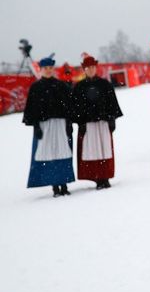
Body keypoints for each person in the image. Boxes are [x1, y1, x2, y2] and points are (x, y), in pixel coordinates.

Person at [22, 55, 75, 197]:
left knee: (62, 153)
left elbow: (69, 107)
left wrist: (69, 123)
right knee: (49, 155)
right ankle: (55, 186)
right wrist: (36, 126)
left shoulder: (61, 86)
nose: (48, 70)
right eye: (45, 68)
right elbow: (31, 110)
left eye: (50, 68)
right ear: (41, 69)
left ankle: (64, 183)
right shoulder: (36, 88)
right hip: (45, 126)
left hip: (60, 125)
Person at [71, 54, 123, 189]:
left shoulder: (105, 84)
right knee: (91, 151)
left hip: (103, 123)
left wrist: (112, 119)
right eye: (88, 67)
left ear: (96, 68)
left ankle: (105, 177)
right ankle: (97, 177)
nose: (91, 70)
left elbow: (112, 103)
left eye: (93, 67)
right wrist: (80, 122)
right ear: (84, 69)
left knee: (105, 149)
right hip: (88, 125)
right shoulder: (79, 87)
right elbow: (75, 107)